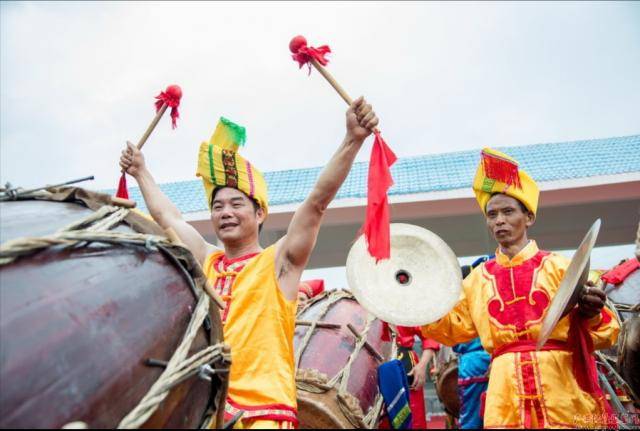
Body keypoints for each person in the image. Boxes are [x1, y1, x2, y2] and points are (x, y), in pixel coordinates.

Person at [120, 97, 379, 429]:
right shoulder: (206, 259)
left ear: (259, 214)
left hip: (264, 413)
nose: (225, 212)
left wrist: (352, 140)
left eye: (236, 204)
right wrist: (141, 171)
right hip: (209, 408)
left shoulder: (280, 263)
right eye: (218, 206)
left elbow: (316, 202)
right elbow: (167, 216)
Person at [420, 148, 620, 429]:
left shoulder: (561, 267)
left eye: (508, 211)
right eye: (492, 214)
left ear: (529, 217)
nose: (499, 220)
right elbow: (451, 328)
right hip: (506, 395)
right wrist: (417, 301)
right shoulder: (476, 280)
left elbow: (608, 333)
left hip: (561, 388)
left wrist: (591, 313)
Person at [381, 324, 439, 429]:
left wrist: (422, 366)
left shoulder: (408, 310)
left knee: (414, 416)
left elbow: (430, 337)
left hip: (407, 365)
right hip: (378, 362)